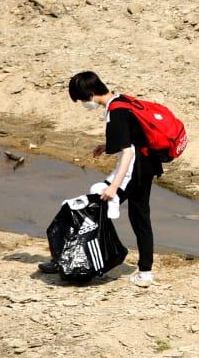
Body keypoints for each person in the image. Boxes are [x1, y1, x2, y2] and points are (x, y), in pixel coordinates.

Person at [41, 71, 164, 286]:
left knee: (85, 208)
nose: (82, 104)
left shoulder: (114, 113)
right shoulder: (122, 100)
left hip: (132, 170)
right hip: (148, 165)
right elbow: (133, 137)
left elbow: (127, 152)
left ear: (89, 93)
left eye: (80, 99)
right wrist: (106, 146)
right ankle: (145, 272)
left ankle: (67, 258)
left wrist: (113, 187)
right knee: (140, 217)